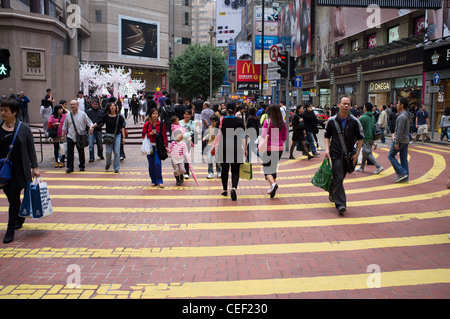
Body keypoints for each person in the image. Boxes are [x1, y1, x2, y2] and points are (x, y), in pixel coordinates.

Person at [0, 98, 40, 243]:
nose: (2, 113)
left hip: (19, 169)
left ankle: (9, 230)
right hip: (4, 171)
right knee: (11, 198)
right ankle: (20, 216)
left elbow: (31, 149)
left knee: (14, 198)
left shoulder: (24, 128)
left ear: (15, 112)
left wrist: (34, 167)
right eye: (2, 110)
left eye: (6, 110)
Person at [324, 96, 364, 215]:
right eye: (344, 103)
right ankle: (341, 204)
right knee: (338, 177)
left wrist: (357, 154)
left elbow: (361, 138)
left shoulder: (355, 121)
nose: (346, 106)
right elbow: (326, 136)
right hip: (335, 153)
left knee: (340, 178)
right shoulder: (331, 120)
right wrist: (327, 149)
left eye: (348, 104)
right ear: (339, 105)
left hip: (349, 155)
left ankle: (332, 191)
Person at [216, 101, 246, 201]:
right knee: (235, 169)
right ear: (234, 110)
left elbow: (217, 135)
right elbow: (242, 135)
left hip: (223, 146)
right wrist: (245, 148)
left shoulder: (221, 120)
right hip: (236, 146)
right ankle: (233, 188)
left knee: (224, 169)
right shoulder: (239, 120)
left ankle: (225, 190)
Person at [90, 102, 126, 173]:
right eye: (111, 106)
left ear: (116, 107)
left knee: (117, 152)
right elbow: (99, 122)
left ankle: (116, 167)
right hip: (109, 136)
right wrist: (92, 127)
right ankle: (108, 163)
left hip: (117, 135)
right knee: (108, 152)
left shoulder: (120, 117)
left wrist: (123, 137)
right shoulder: (106, 116)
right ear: (109, 107)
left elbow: (122, 128)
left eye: (114, 105)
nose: (112, 107)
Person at [260, 104, 287, 198]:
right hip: (279, 148)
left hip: (268, 148)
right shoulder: (282, 123)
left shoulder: (267, 122)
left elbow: (263, 135)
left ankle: (273, 185)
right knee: (274, 167)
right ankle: (271, 188)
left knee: (266, 168)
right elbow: (284, 137)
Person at [61, 100, 93, 173]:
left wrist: (91, 128)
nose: (72, 106)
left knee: (81, 152)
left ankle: (82, 166)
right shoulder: (68, 115)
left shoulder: (83, 114)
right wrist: (63, 135)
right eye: (71, 104)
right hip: (70, 136)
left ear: (78, 105)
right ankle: (70, 167)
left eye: (74, 104)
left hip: (80, 136)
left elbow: (89, 122)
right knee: (69, 153)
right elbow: (65, 126)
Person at [142, 108, 168, 188]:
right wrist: (150, 133)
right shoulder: (147, 124)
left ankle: (159, 180)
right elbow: (143, 135)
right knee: (151, 164)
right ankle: (153, 180)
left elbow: (164, 135)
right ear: (150, 115)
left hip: (158, 147)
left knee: (157, 163)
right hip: (150, 147)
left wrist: (166, 146)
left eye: (156, 114)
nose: (155, 115)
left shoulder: (161, 124)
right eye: (153, 113)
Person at [355, 102, 383, 174]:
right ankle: (361, 167)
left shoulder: (363, 118)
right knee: (365, 153)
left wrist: (356, 139)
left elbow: (359, 129)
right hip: (371, 137)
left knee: (368, 153)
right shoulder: (372, 117)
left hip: (365, 138)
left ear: (366, 108)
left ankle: (378, 166)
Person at [388, 97, 411, 183]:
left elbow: (400, 131)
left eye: (398, 103)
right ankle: (405, 178)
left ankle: (402, 173)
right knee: (404, 159)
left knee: (390, 156)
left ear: (402, 105)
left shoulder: (402, 116)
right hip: (405, 140)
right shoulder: (407, 115)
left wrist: (396, 142)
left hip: (400, 140)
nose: (396, 105)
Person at [203, 114, 221, 179]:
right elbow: (209, 134)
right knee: (209, 159)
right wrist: (205, 137)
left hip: (217, 146)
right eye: (211, 121)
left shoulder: (219, 128)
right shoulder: (210, 127)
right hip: (210, 145)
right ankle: (211, 172)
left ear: (217, 121)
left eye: (213, 121)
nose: (212, 123)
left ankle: (219, 171)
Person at [180, 109, 195, 179]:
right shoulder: (180, 122)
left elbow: (192, 131)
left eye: (188, 114)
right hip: (179, 142)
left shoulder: (192, 122)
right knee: (180, 157)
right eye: (186, 114)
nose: (187, 116)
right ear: (183, 115)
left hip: (187, 142)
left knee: (186, 157)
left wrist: (185, 135)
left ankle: (186, 172)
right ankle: (181, 172)